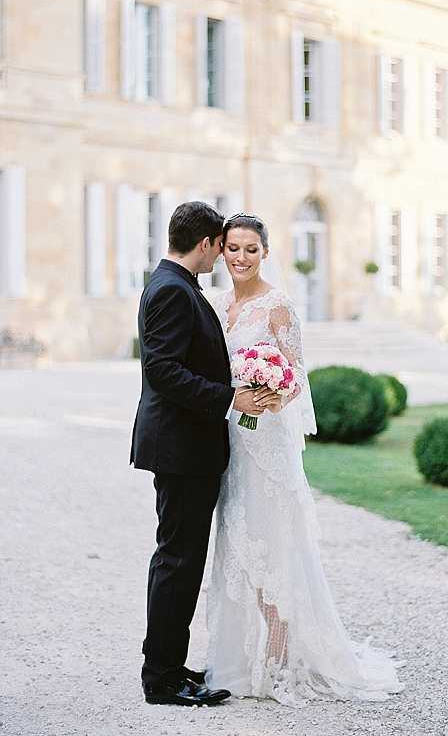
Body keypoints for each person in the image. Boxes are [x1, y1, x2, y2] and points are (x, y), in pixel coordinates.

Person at [205, 213, 403, 707]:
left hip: (266, 449)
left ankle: (278, 656)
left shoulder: (279, 307)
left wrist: (270, 393)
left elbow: (295, 378)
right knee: (242, 547)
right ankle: (245, 653)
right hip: (230, 443)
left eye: (252, 249)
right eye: (233, 248)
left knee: (274, 545)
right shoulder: (219, 303)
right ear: (221, 250)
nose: (241, 257)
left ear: (265, 253)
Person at [130, 202, 278, 707]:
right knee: (178, 560)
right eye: (222, 244)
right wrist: (228, 397)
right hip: (180, 448)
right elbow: (164, 371)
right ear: (206, 244)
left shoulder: (177, 283)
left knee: (181, 560)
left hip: (186, 447)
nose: (224, 253)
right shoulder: (172, 289)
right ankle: (162, 679)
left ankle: (168, 663)